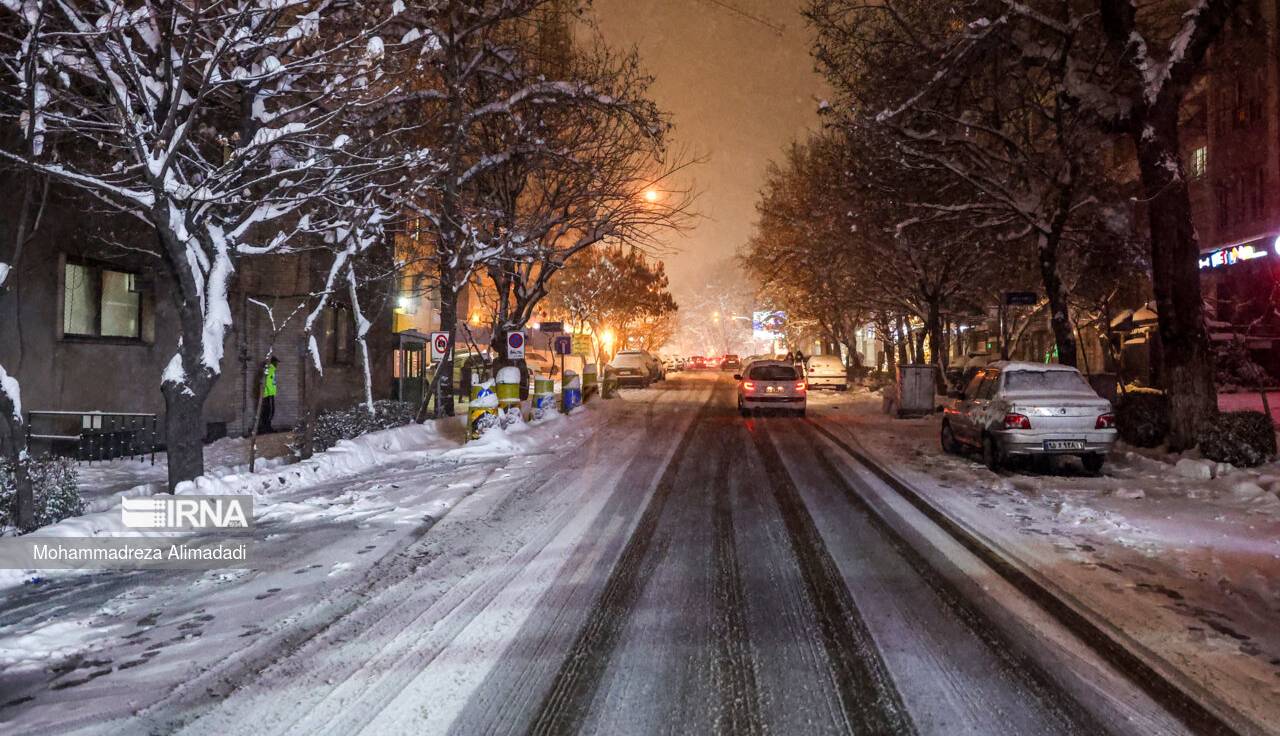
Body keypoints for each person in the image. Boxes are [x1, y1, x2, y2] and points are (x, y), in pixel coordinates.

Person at [259, 356, 279, 434]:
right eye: (276, 362)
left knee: (267, 411)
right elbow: (266, 382)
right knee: (269, 411)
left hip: (269, 394)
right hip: (268, 394)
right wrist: (269, 393)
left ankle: (267, 427)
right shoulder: (270, 370)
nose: (277, 364)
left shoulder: (272, 370)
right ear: (273, 362)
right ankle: (266, 428)